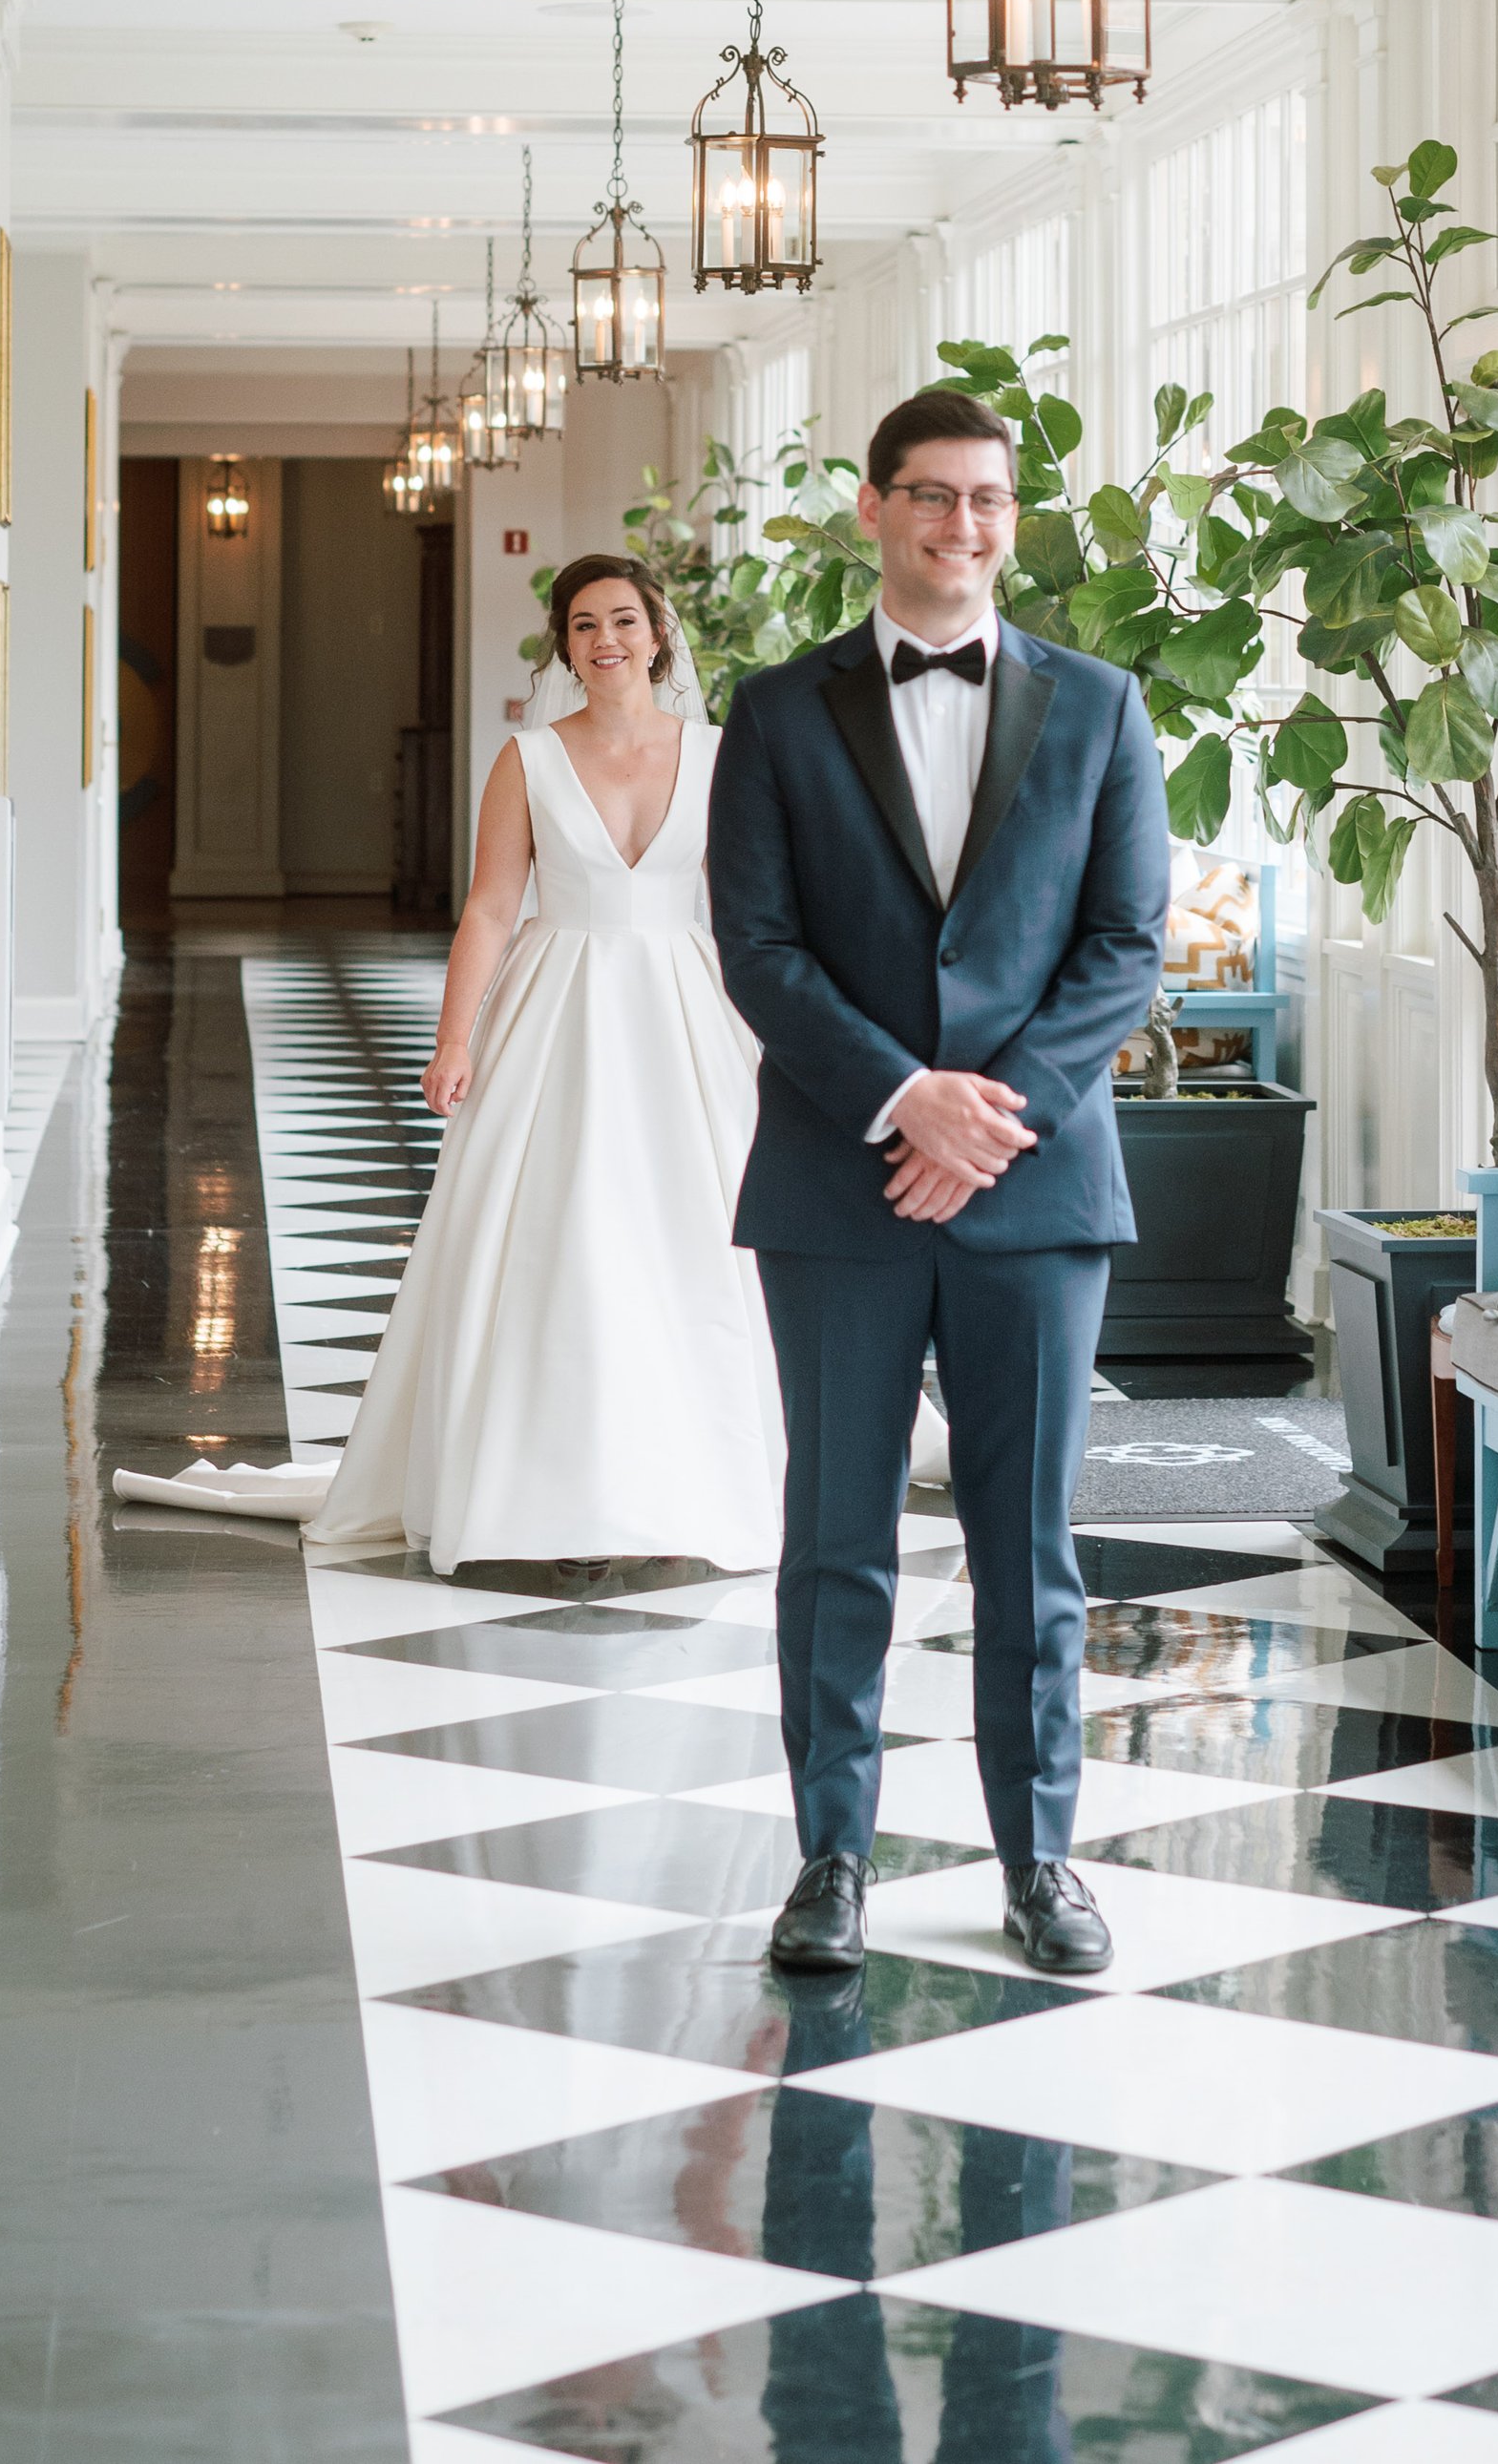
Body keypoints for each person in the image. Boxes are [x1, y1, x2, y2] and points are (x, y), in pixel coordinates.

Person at [707, 387, 1171, 1978]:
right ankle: (830, 1855)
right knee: (835, 1532)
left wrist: (991, 1117)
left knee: (1027, 1542)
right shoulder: (773, 711)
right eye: (930, 497)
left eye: (986, 500)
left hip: (1036, 1198)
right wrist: (904, 1099)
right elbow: (756, 948)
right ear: (873, 508)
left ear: (1010, 519)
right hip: (840, 1188)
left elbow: (1125, 947)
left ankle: (1042, 1859)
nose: (959, 526)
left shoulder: (1104, 707)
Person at [306, 555, 785, 1578]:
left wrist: (773, 1035)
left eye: (621, 619)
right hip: (555, 1006)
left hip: (681, 1013)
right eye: (581, 624)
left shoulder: (718, 751)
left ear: (659, 633)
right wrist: (453, 1037)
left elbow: (746, 910)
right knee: (552, 1232)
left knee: (692, 1237)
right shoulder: (526, 757)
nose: (603, 639)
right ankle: (540, 1477)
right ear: (564, 645)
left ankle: (688, 1474)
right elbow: (489, 905)